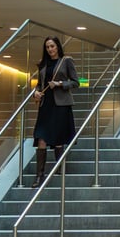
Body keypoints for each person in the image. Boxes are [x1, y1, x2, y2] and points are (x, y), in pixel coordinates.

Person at [31, 36, 79, 188]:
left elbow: (75, 82)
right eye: (47, 47)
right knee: (41, 138)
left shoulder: (66, 61)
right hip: (46, 105)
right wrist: (36, 93)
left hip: (60, 105)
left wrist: (59, 84)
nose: (50, 49)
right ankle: (39, 176)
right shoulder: (43, 64)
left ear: (57, 46)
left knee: (58, 138)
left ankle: (60, 169)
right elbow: (40, 84)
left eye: (52, 46)